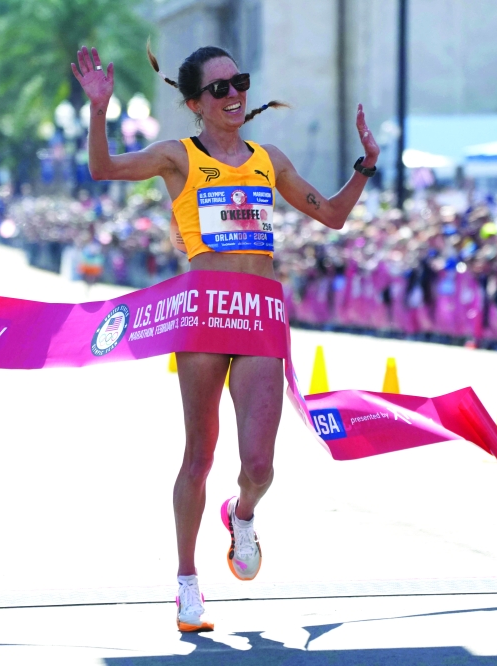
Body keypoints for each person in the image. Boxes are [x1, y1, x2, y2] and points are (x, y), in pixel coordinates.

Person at [72, 43, 379, 632]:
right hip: (205, 313)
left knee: (259, 466)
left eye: (238, 80)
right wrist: (98, 110)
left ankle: (242, 514)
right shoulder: (177, 156)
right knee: (200, 454)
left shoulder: (269, 160)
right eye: (219, 88)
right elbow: (104, 168)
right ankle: (188, 584)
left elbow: (333, 215)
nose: (234, 93)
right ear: (195, 103)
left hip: (260, 312)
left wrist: (365, 165)